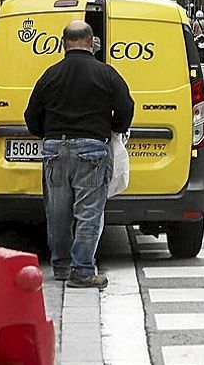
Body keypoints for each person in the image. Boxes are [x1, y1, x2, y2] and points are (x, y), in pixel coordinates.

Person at [24, 20, 134, 290]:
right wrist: (113, 129)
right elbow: (126, 108)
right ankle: (83, 270)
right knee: (88, 212)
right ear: (91, 42)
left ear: (64, 44)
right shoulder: (106, 74)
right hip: (92, 149)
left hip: (55, 150)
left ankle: (61, 266)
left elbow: (31, 116)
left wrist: (47, 135)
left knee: (58, 212)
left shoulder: (50, 75)